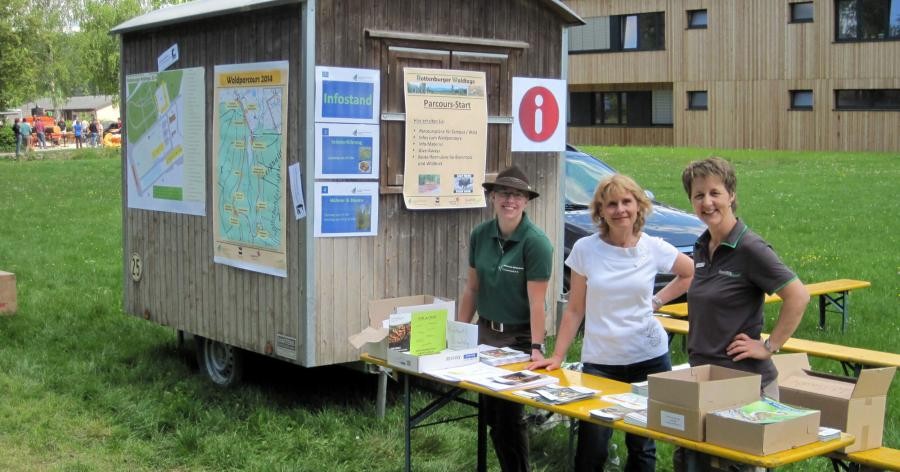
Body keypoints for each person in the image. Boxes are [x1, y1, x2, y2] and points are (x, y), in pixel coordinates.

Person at [529, 174, 693, 472]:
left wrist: (656, 301)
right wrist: (557, 356)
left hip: (650, 359)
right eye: (612, 204)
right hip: (600, 361)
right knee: (593, 446)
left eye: (626, 202)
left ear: (639, 206)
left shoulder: (653, 247)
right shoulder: (585, 249)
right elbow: (575, 309)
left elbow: (690, 273)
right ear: (601, 211)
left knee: (642, 446)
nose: (620, 210)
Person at [675, 157, 809, 471]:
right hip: (705, 380)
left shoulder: (751, 248)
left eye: (714, 193)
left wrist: (768, 346)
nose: (707, 202)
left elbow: (798, 296)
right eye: (698, 195)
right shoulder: (700, 246)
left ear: (731, 195)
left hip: (746, 386)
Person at [457, 165, 553, 472]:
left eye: (517, 195)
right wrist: (458, 333)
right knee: (492, 416)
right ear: (492, 197)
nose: (509, 200)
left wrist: (536, 347)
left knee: (510, 419)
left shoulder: (536, 242)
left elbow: (537, 303)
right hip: (486, 334)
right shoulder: (480, 235)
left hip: (519, 337)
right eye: (503, 193)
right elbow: (472, 288)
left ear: (526, 201)